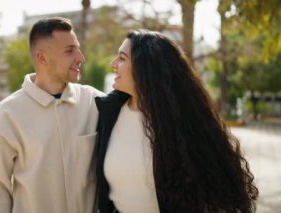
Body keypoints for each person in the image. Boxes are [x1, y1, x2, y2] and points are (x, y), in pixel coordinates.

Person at [95, 29, 259, 212]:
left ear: (146, 67)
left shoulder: (185, 120)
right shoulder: (108, 112)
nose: (113, 64)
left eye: (122, 58)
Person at [0, 17, 104, 213]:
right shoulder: (6, 114)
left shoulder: (95, 102)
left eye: (78, 49)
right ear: (42, 57)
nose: (80, 57)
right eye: (69, 51)